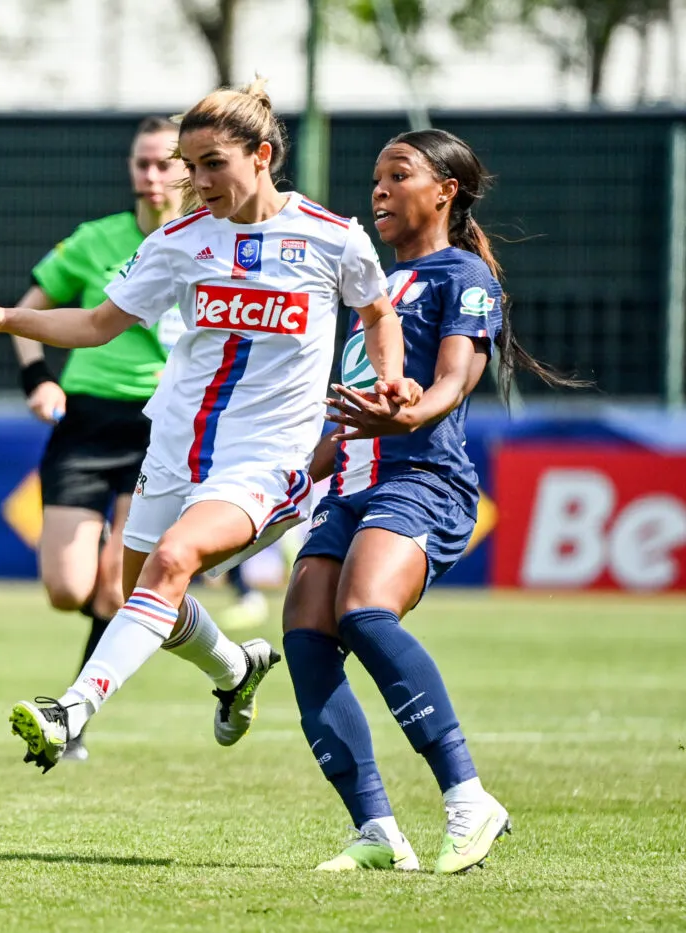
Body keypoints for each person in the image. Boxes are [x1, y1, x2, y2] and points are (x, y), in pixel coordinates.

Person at [0, 79, 419, 774]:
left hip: (268, 457)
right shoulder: (180, 239)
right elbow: (98, 324)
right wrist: (5, 318)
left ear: (262, 154)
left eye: (210, 164)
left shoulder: (333, 237)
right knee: (150, 601)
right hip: (174, 447)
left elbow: (377, 311)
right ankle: (235, 669)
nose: (196, 181)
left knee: (169, 566)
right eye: (190, 167)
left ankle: (71, 708)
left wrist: (390, 375)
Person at [283, 128, 584, 874]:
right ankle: (376, 830)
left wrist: (409, 413)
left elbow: (452, 382)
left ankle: (468, 799)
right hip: (351, 485)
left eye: (398, 175)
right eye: (375, 178)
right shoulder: (375, 291)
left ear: (445, 191)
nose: (379, 189)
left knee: (362, 609)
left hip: (423, 480)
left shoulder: (464, 276)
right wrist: (288, 480)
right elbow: (350, 412)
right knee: (305, 630)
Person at [11, 116, 188, 763]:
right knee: (67, 587)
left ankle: (73, 718)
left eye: (165, 163)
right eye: (141, 164)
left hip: (161, 425)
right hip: (86, 422)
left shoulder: (211, 241)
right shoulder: (94, 241)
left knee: (118, 589)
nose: (151, 176)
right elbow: (27, 313)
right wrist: (38, 379)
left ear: (189, 168)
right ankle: (107, 625)